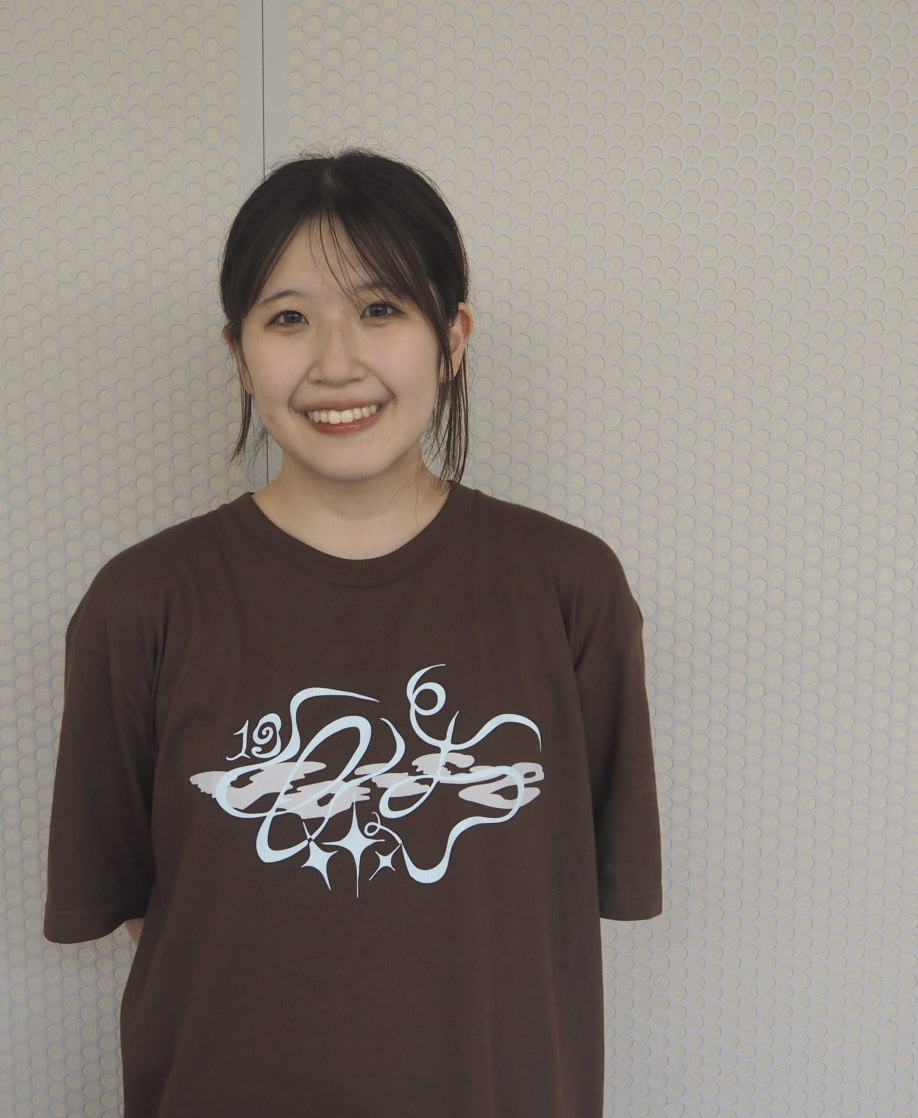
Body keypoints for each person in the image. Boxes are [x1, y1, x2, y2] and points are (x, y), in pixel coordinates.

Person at [44, 149, 663, 1118]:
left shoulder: (568, 589)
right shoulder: (140, 605)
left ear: (451, 337)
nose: (335, 362)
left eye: (380, 308)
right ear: (238, 349)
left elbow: (562, 889)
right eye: (287, 318)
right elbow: (138, 902)